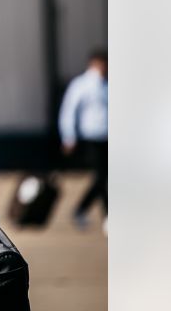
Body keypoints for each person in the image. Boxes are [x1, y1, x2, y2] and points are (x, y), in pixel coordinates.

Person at [58, 48, 108, 229]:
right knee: (101, 176)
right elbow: (69, 111)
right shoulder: (82, 85)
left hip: (107, 136)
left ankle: (87, 210)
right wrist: (68, 136)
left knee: (104, 176)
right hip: (91, 136)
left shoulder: (106, 85)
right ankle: (99, 213)